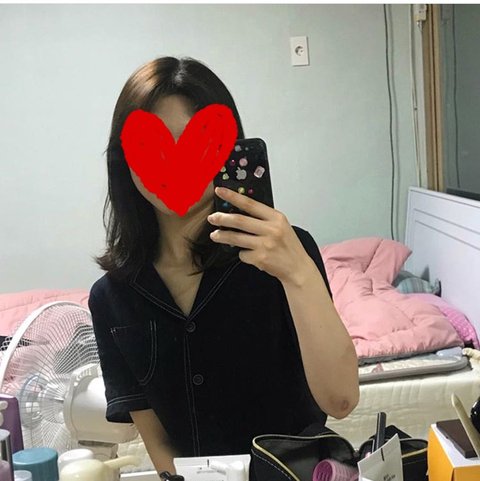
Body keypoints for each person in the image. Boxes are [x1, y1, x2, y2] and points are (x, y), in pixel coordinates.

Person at [88, 56, 359, 475]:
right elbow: (158, 440)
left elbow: (340, 400)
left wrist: (298, 274)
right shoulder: (112, 297)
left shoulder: (285, 254)